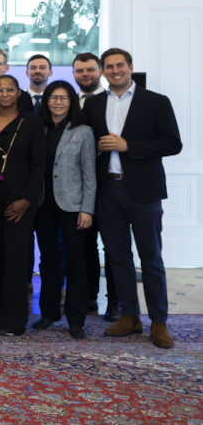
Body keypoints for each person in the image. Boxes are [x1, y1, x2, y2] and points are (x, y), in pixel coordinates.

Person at [84, 48, 182, 349]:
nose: (115, 71)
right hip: (107, 192)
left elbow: (172, 143)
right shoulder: (94, 103)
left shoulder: (156, 102)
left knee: (151, 259)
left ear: (130, 67)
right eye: (109, 66)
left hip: (143, 193)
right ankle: (129, 317)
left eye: (120, 65)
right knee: (117, 258)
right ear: (102, 71)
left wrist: (129, 146)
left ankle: (159, 322)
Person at [0, 73, 45, 336]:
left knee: (15, 257)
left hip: (20, 198)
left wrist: (26, 199)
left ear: (18, 93)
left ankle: (14, 318)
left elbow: (39, 165)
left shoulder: (33, 122)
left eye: (10, 90)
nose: (4, 94)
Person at [32, 80, 95, 339]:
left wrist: (87, 209)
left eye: (64, 98)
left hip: (73, 205)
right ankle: (49, 312)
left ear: (72, 102)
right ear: (46, 101)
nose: (58, 102)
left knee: (76, 262)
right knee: (48, 260)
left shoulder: (83, 131)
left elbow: (89, 174)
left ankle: (76, 319)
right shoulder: (39, 129)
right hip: (43, 204)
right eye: (53, 97)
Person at [72, 51, 118, 320]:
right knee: (84, 246)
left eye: (90, 70)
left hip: (110, 187)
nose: (85, 75)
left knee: (113, 248)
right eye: (80, 71)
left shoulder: (111, 102)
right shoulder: (67, 102)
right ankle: (89, 297)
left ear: (99, 71)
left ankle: (115, 302)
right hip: (77, 190)